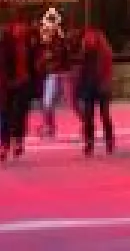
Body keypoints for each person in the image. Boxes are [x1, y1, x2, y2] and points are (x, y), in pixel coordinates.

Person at [0, 20, 35, 161]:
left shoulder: (28, 43)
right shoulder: (3, 44)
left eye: (22, 27)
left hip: (23, 83)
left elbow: (32, 63)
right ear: (12, 29)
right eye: (18, 27)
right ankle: (4, 144)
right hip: (7, 84)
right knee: (4, 114)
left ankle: (18, 141)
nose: (20, 30)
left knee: (20, 114)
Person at [75, 28, 115, 156]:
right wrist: (79, 88)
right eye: (87, 37)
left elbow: (108, 72)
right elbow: (82, 72)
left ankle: (109, 140)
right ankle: (89, 142)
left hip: (101, 87)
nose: (89, 39)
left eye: (91, 37)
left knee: (104, 115)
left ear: (97, 38)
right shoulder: (84, 53)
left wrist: (105, 84)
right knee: (88, 117)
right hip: (88, 87)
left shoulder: (105, 52)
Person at [36, 17, 69, 138]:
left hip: (58, 74)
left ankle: (49, 127)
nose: (44, 32)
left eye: (46, 29)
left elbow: (59, 59)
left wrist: (46, 59)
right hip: (52, 75)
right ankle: (49, 127)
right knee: (47, 103)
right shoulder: (47, 44)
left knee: (51, 103)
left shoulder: (58, 43)